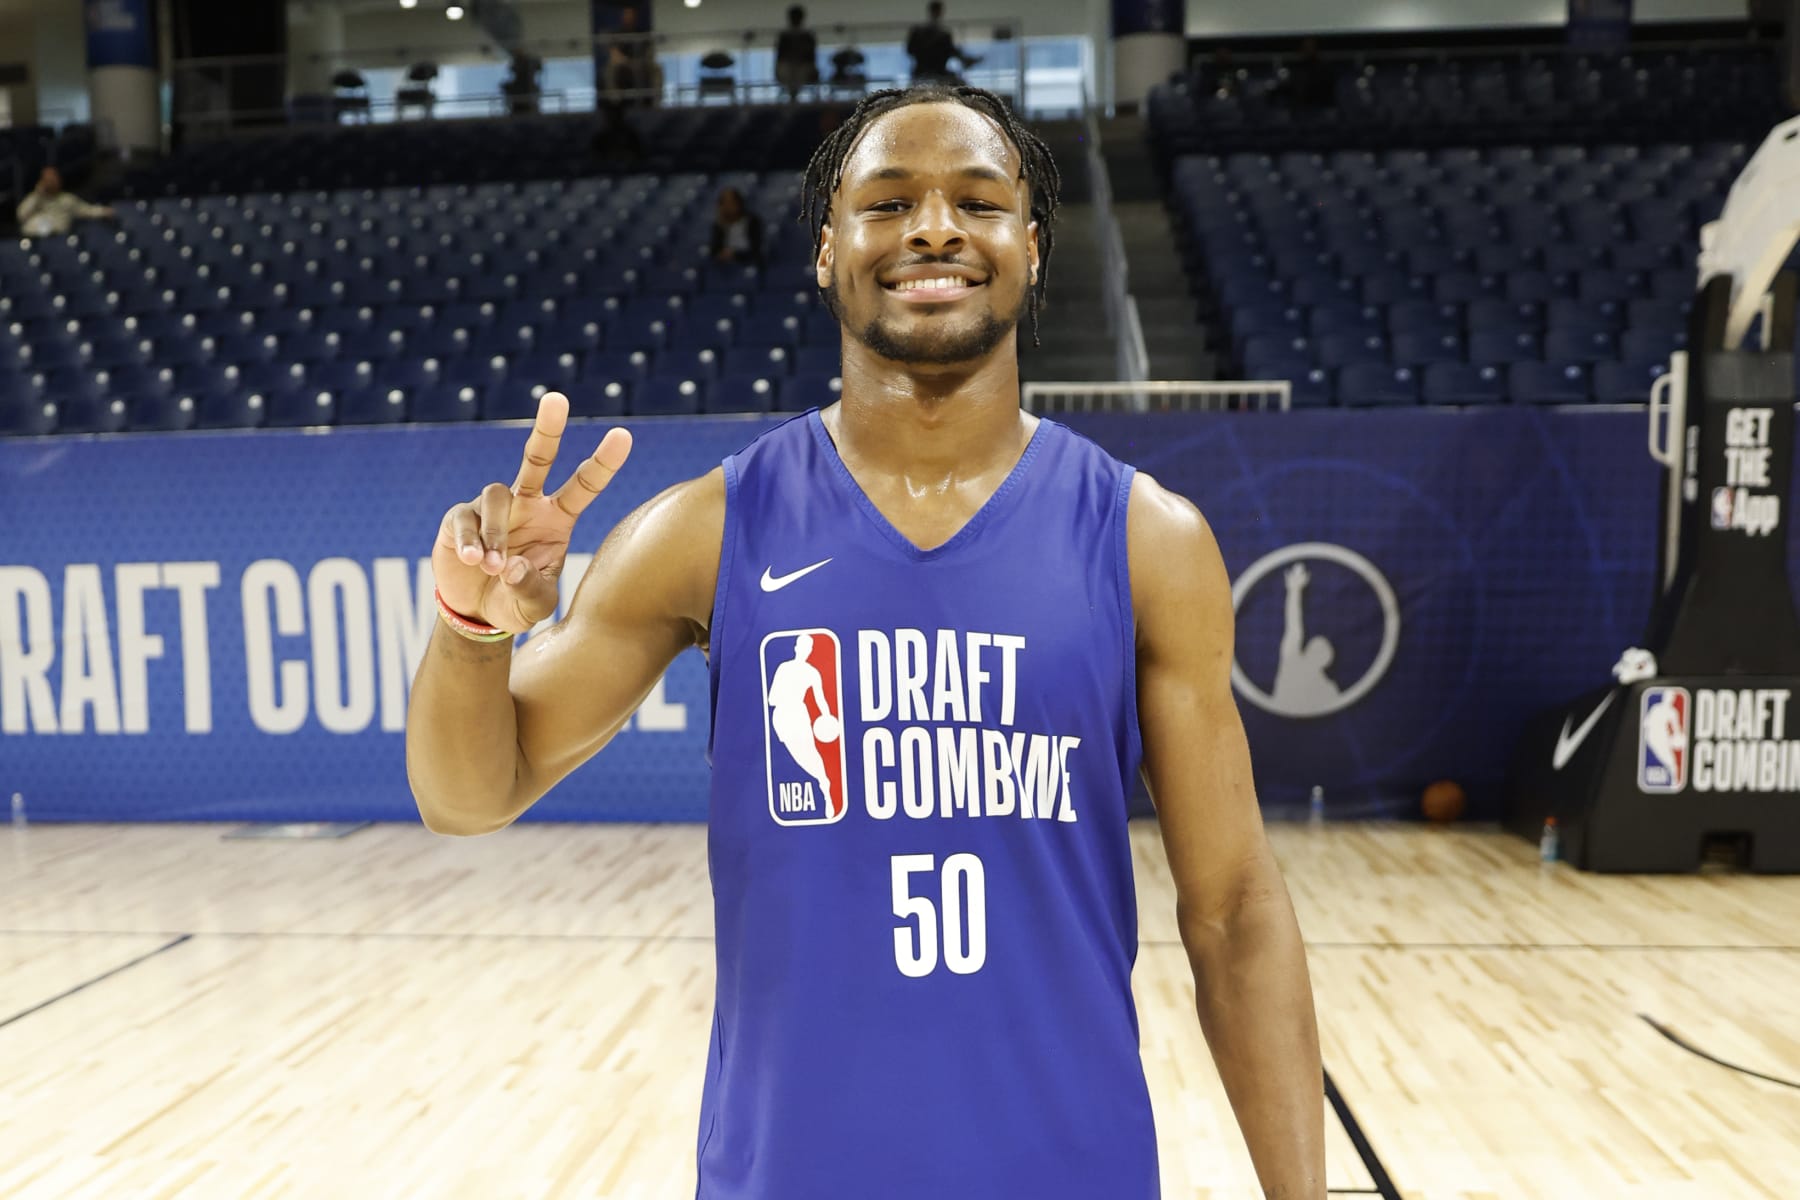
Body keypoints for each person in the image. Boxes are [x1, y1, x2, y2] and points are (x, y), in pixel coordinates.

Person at [407, 83, 1325, 1200]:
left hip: (1069, 1171)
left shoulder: (1146, 540)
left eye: (977, 203)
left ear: (1031, 250)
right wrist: (470, 631)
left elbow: (1233, 910)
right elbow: (470, 793)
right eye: (888, 203)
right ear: (828, 249)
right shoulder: (706, 530)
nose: (934, 226)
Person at [15, 167, 114, 239]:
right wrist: (38, 194)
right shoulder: (35, 198)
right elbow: (21, 215)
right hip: (33, 239)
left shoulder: (67, 199)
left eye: (54, 178)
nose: (51, 182)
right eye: (48, 179)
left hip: (58, 240)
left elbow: (87, 210)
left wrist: (104, 211)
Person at [905, 1, 981, 84]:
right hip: (939, 74)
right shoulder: (944, 34)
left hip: (919, 73)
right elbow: (951, 51)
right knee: (963, 85)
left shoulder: (917, 31)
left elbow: (909, 50)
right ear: (940, 12)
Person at [708, 186, 764, 269]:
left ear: (739, 203)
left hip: (748, 262)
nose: (729, 207)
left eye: (732, 202)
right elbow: (714, 250)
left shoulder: (752, 221)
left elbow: (756, 249)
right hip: (725, 266)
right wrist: (722, 254)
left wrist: (735, 254)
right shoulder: (718, 224)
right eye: (725, 203)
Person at [774, 5, 819, 102]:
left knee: (800, 72)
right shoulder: (784, 35)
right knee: (787, 71)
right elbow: (779, 56)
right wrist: (777, 70)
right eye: (793, 17)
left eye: (797, 17)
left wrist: (812, 67)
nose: (795, 20)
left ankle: (794, 96)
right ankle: (792, 96)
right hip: (787, 65)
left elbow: (812, 56)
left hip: (804, 66)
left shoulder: (808, 35)